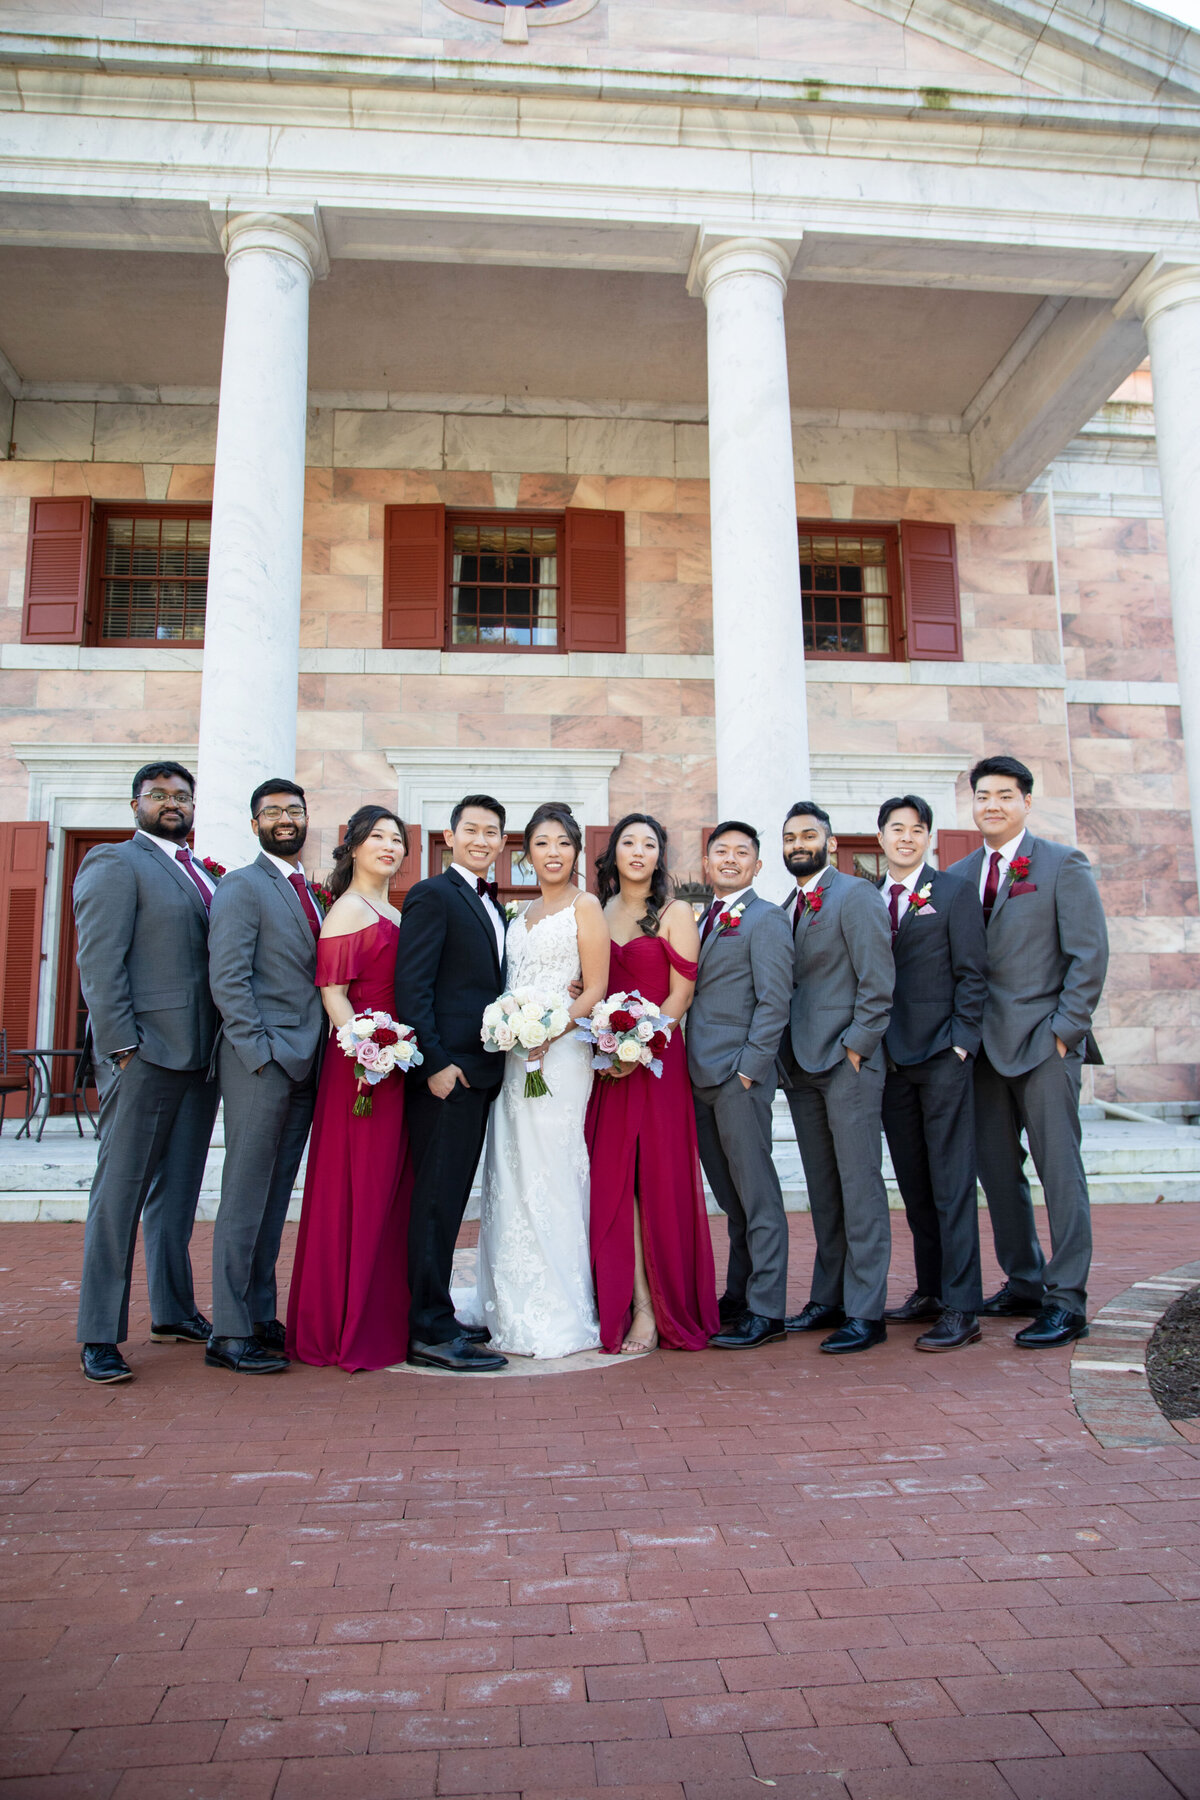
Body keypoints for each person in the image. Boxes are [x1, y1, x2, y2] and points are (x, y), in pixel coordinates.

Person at [949, 756, 1109, 1348]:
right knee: (997, 1172)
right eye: (983, 795)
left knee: (1059, 1172)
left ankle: (1068, 1300)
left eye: (1004, 795)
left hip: (1045, 1044)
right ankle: (1024, 1280)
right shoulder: (960, 874)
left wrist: (1065, 1030)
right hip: (982, 1052)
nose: (992, 804)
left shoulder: (1062, 864)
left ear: (1026, 801)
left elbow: (1089, 956)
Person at [73, 761, 221, 1384]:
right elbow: (99, 963)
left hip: (201, 1058)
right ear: (135, 802)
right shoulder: (114, 864)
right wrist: (122, 1048)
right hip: (145, 1056)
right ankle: (100, 1334)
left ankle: (174, 1311)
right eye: (158, 794)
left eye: (181, 796)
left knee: (178, 1192)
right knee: (120, 1195)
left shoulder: (202, 874)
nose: (171, 803)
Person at [458, 803, 609, 1358]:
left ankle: (560, 1307)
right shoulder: (514, 919)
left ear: (576, 852)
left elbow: (594, 986)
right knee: (511, 1168)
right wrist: (511, 1029)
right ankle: (507, 1300)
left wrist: (553, 1028)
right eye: (542, 843)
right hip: (513, 1059)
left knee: (554, 1167)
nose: (553, 853)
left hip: (561, 1056)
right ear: (527, 855)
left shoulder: (585, 906)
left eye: (563, 843)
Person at [285, 806, 414, 1372]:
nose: (388, 847)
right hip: (360, 1067)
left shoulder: (393, 908)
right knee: (356, 1183)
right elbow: (334, 993)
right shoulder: (347, 910)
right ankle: (341, 1323)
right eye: (377, 837)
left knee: (388, 1185)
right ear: (354, 848)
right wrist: (364, 1049)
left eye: (397, 839)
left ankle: (382, 1312)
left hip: (396, 1061)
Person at [586, 814, 719, 1355]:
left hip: (656, 1065)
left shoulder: (675, 912)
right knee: (613, 1185)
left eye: (648, 844)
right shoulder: (596, 910)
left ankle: (657, 1308)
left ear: (659, 855)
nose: (637, 851)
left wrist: (638, 1049)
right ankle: (628, 1298)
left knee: (654, 1185)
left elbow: (680, 996)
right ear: (613, 852)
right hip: (605, 1071)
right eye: (628, 842)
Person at [206, 778, 325, 1375]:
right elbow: (228, 978)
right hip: (264, 1062)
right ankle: (227, 1332)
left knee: (276, 1195)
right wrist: (259, 1052)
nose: (284, 818)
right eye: (272, 811)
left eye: (294, 810)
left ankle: (257, 1313)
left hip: (308, 1063)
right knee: (245, 1194)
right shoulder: (241, 885)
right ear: (254, 824)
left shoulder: (313, 893)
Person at [395, 795, 510, 1373]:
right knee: (437, 1203)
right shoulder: (432, 895)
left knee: (449, 1201)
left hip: (482, 1074)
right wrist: (434, 1062)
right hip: (447, 1077)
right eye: (472, 830)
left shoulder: (489, 903)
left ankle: (437, 1312)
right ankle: (426, 1330)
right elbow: (411, 988)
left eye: (493, 832)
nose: (482, 840)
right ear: (449, 835)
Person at [777, 802, 894, 1354]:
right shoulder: (786, 906)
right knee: (824, 1191)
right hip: (800, 1068)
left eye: (808, 834)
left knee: (860, 1186)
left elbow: (877, 981)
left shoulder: (855, 895)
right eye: (790, 836)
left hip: (847, 1066)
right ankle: (829, 1297)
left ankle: (867, 1311)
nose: (799, 843)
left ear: (828, 841)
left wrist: (857, 1046)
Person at [875, 795, 987, 1352]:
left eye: (917, 830)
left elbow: (973, 974)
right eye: (897, 829)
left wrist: (962, 1045)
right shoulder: (870, 899)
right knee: (915, 1185)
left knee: (951, 1185)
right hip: (890, 1064)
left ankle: (964, 1306)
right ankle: (931, 1290)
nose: (906, 837)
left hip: (943, 1057)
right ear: (880, 838)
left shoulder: (953, 893)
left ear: (928, 839)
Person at [687, 821, 794, 1350]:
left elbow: (776, 1000)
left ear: (757, 865)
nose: (730, 859)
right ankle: (739, 1293)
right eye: (720, 852)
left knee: (758, 1195)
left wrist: (750, 1069)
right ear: (707, 864)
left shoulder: (767, 920)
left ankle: (768, 1309)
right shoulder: (702, 919)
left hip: (738, 1077)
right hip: (698, 1075)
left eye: (741, 853)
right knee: (730, 1197)